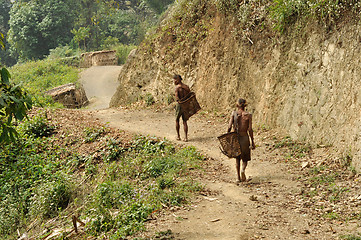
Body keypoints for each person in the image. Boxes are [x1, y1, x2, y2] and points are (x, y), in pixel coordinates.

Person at [227, 98, 256, 182]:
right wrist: (252, 141)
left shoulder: (234, 113)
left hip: (236, 138)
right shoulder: (248, 115)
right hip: (245, 138)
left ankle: (238, 178)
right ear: (245, 106)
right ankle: (243, 170)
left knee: (237, 159)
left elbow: (229, 127)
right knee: (245, 158)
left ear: (237, 105)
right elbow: (250, 129)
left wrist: (228, 137)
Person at [173, 74, 191, 142]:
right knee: (185, 121)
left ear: (178, 80)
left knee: (177, 120)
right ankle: (186, 137)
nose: (174, 81)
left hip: (180, 105)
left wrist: (179, 102)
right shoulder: (186, 87)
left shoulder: (177, 88)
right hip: (185, 105)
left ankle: (178, 136)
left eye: (175, 79)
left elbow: (177, 98)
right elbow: (190, 95)